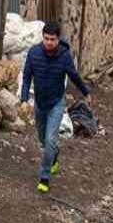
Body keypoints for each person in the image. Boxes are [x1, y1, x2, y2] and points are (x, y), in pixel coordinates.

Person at [19, 20, 92, 194]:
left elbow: (74, 76)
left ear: (58, 39)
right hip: (40, 102)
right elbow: (27, 77)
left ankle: (44, 177)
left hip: (56, 103)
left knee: (50, 140)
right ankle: (54, 155)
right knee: (43, 138)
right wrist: (24, 99)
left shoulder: (64, 57)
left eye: (52, 39)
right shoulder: (34, 54)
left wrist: (86, 92)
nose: (49, 42)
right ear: (42, 37)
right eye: (46, 38)